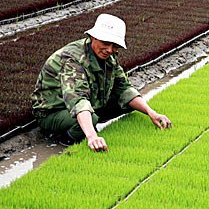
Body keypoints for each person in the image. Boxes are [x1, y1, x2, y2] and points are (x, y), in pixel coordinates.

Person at [31, 13, 172, 152]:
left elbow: (123, 87)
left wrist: (151, 112)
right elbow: (77, 100)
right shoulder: (72, 59)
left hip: (87, 101)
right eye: (105, 43)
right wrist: (92, 136)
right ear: (93, 37)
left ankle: (88, 123)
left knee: (128, 104)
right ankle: (66, 139)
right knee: (91, 119)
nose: (109, 50)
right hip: (53, 111)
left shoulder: (109, 56)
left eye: (115, 45)